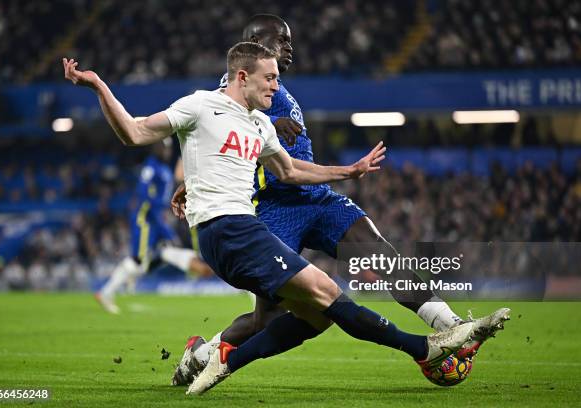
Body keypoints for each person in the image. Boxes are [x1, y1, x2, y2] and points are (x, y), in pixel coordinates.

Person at [63, 42, 507, 396]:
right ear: (243, 76)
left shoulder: (260, 126)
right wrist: (99, 84)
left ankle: (221, 359)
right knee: (328, 292)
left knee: (318, 315)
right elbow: (136, 131)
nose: (278, 84)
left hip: (244, 230)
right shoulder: (200, 105)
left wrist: (347, 171)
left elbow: (291, 171)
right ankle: (426, 348)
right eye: (271, 77)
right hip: (230, 228)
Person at [171, 14, 495, 386]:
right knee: (269, 319)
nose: (290, 46)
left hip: (316, 198)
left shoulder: (277, 87)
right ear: (256, 41)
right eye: (282, 39)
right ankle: (203, 355)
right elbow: (219, 126)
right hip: (272, 208)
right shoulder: (234, 87)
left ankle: (453, 327)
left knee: (379, 253)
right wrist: (206, 173)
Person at [95, 139, 213, 314]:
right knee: (139, 260)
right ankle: (107, 292)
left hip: (157, 218)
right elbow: (143, 192)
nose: (165, 152)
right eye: (162, 148)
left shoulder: (164, 169)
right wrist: (161, 219)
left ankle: (126, 282)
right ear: (156, 149)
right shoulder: (151, 167)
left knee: (161, 254)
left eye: (167, 148)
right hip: (146, 218)